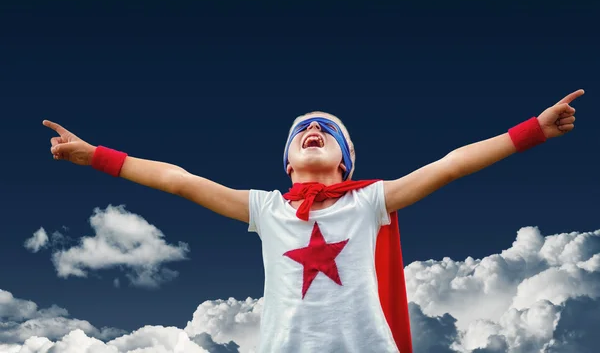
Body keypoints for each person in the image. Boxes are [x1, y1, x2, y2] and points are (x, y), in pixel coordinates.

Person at [43, 89, 584, 353]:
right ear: (288, 163)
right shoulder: (266, 209)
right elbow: (177, 179)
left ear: (346, 160)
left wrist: (532, 130)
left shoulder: (371, 201)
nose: (314, 130)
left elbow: (451, 164)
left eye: (327, 130)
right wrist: (97, 157)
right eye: (303, 131)